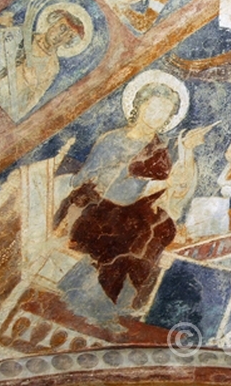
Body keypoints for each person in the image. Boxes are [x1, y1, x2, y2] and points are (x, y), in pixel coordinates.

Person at [54, 77, 212, 329]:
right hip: (100, 208)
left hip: (137, 214)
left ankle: (115, 299)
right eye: (154, 107)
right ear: (139, 105)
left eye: (166, 111)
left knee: (160, 227)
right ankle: (95, 303)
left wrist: (187, 151)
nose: (158, 115)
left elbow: (177, 188)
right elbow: (102, 183)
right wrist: (159, 185)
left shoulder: (160, 148)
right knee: (129, 229)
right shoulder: (113, 140)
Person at [0, 3, 85, 122]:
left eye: (69, 36)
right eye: (62, 28)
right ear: (52, 24)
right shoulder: (21, 34)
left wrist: (30, 86)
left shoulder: (52, 67)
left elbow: (32, 101)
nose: (61, 36)